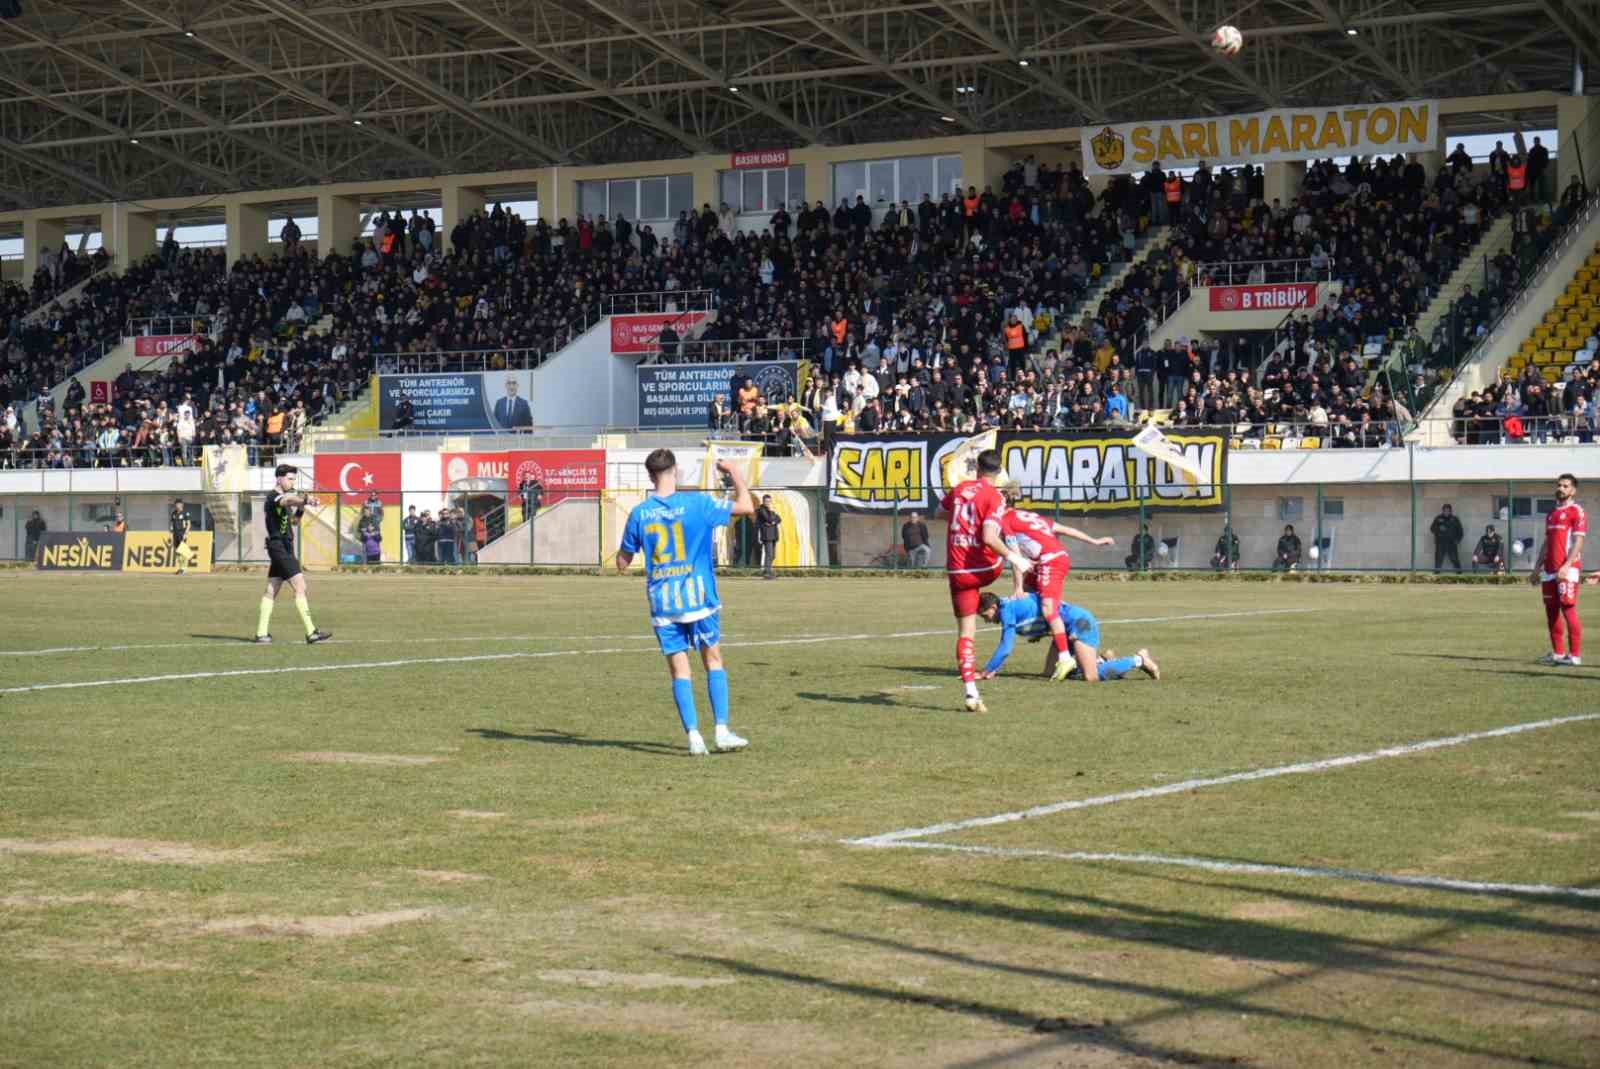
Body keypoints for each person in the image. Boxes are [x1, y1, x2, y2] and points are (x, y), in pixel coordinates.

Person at [616, 449, 756, 755]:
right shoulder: (698, 504)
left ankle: (694, 738)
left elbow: (623, 562)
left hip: (664, 603)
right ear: (674, 471)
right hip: (700, 597)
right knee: (713, 661)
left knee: (680, 671)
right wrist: (733, 470)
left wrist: (626, 553)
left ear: (650, 475)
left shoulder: (640, 513)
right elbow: (746, 505)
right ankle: (721, 730)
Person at [942, 449, 1028, 713]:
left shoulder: (958, 490)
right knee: (1007, 541)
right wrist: (1016, 559)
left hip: (957, 571)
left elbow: (938, 512)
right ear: (998, 471)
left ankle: (970, 692)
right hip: (986, 568)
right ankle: (1018, 589)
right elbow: (990, 538)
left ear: (976, 468)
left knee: (966, 634)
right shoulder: (994, 496)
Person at [997, 502, 1115, 681]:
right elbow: (1065, 529)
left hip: (1049, 560)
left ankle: (1066, 657)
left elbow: (1016, 558)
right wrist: (1094, 541)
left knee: (1047, 608)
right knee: (1034, 599)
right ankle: (1095, 659)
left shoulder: (1006, 521)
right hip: (1051, 559)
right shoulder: (1031, 516)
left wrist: (1017, 588)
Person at [977, 593, 1159, 682]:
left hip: (1079, 623)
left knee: (1091, 677)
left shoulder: (1006, 611)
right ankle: (1103, 660)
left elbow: (1006, 646)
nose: (986, 621)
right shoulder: (1010, 605)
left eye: (985, 615)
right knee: (1050, 674)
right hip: (1062, 632)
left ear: (993, 607)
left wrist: (987, 670)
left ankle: (1139, 660)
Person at [255, 464, 331, 644]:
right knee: (300, 586)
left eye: (294, 479)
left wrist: (303, 507)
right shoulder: (274, 497)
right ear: (279, 478)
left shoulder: (286, 496)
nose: (292, 482)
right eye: (289, 478)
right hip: (279, 546)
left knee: (272, 588)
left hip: (283, 546)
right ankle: (311, 632)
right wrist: (304, 500)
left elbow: (294, 521)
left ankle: (261, 633)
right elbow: (287, 500)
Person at [1532, 473, 1585, 666]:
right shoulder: (1551, 514)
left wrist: (1567, 565)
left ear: (1573, 490)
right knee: (1551, 611)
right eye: (1559, 485)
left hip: (1567, 570)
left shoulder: (1576, 511)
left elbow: (1579, 541)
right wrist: (1536, 568)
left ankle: (1575, 656)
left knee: (1568, 609)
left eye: (1565, 486)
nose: (1560, 489)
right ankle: (1558, 653)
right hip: (1549, 570)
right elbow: (1547, 543)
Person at [1430, 503, 1464, 573]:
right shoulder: (1438, 518)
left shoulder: (1455, 519)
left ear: (1451, 511)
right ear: (1442, 511)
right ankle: (1437, 574)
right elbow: (1432, 528)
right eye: (1445, 510)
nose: (1446, 512)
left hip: (1451, 543)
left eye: (1448, 510)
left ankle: (1460, 574)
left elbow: (1460, 531)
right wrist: (1439, 528)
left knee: (1455, 559)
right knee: (1438, 559)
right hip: (1440, 543)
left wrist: (1457, 540)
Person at [755, 494, 782, 579]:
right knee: (769, 554)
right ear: (763, 501)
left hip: (773, 535)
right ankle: (767, 573)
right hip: (767, 535)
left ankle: (768, 570)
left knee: (773, 555)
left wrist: (773, 521)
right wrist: (772, 517)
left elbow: (779, 519)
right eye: (766, 501)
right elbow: (769, 519)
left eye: (769, 501)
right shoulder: (761, 510)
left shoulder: (771, 510)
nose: (768, 503)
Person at [169, 497, 192, 575]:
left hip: (182, 534)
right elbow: (172, 525)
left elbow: (189, 524)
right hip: (175, 534)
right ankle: (181, 567)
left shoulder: (186, 513)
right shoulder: (173, 513)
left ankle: (184, 568)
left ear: (182, 504)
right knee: (177, 552)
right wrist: (171, 534)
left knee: (183, 551)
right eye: (176, 504)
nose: (177, 505)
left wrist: (186, 534)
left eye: (179, 504)